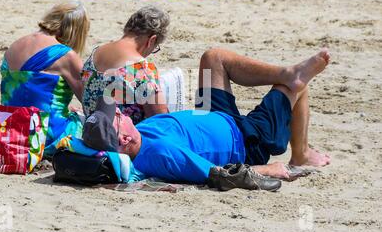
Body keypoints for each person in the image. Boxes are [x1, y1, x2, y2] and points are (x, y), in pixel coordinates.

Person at [82, 48, 332, 191]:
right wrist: (268, 169)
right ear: (124, 138)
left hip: (215, 116)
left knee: (213, 58)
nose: (121, 112)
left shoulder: (137, 134)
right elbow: (217, 174)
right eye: (116, 116)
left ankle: (288, 73)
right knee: (297, 88)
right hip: (247, 141)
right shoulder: (161, 153)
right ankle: (301, 153)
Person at [1, 1, 89, 157]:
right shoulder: (65, 55)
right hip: (43, 136)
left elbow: (28, 93)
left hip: (9, 130)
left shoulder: (14, 46)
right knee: (86, 119)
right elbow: (89, 101)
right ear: (74, 30)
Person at [81, 6, 170, 125]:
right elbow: (160, 119)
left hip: (91, 132)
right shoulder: (141, 69)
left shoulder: (96, 53)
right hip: (124, 140)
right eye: (155, 48)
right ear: (152, 40)